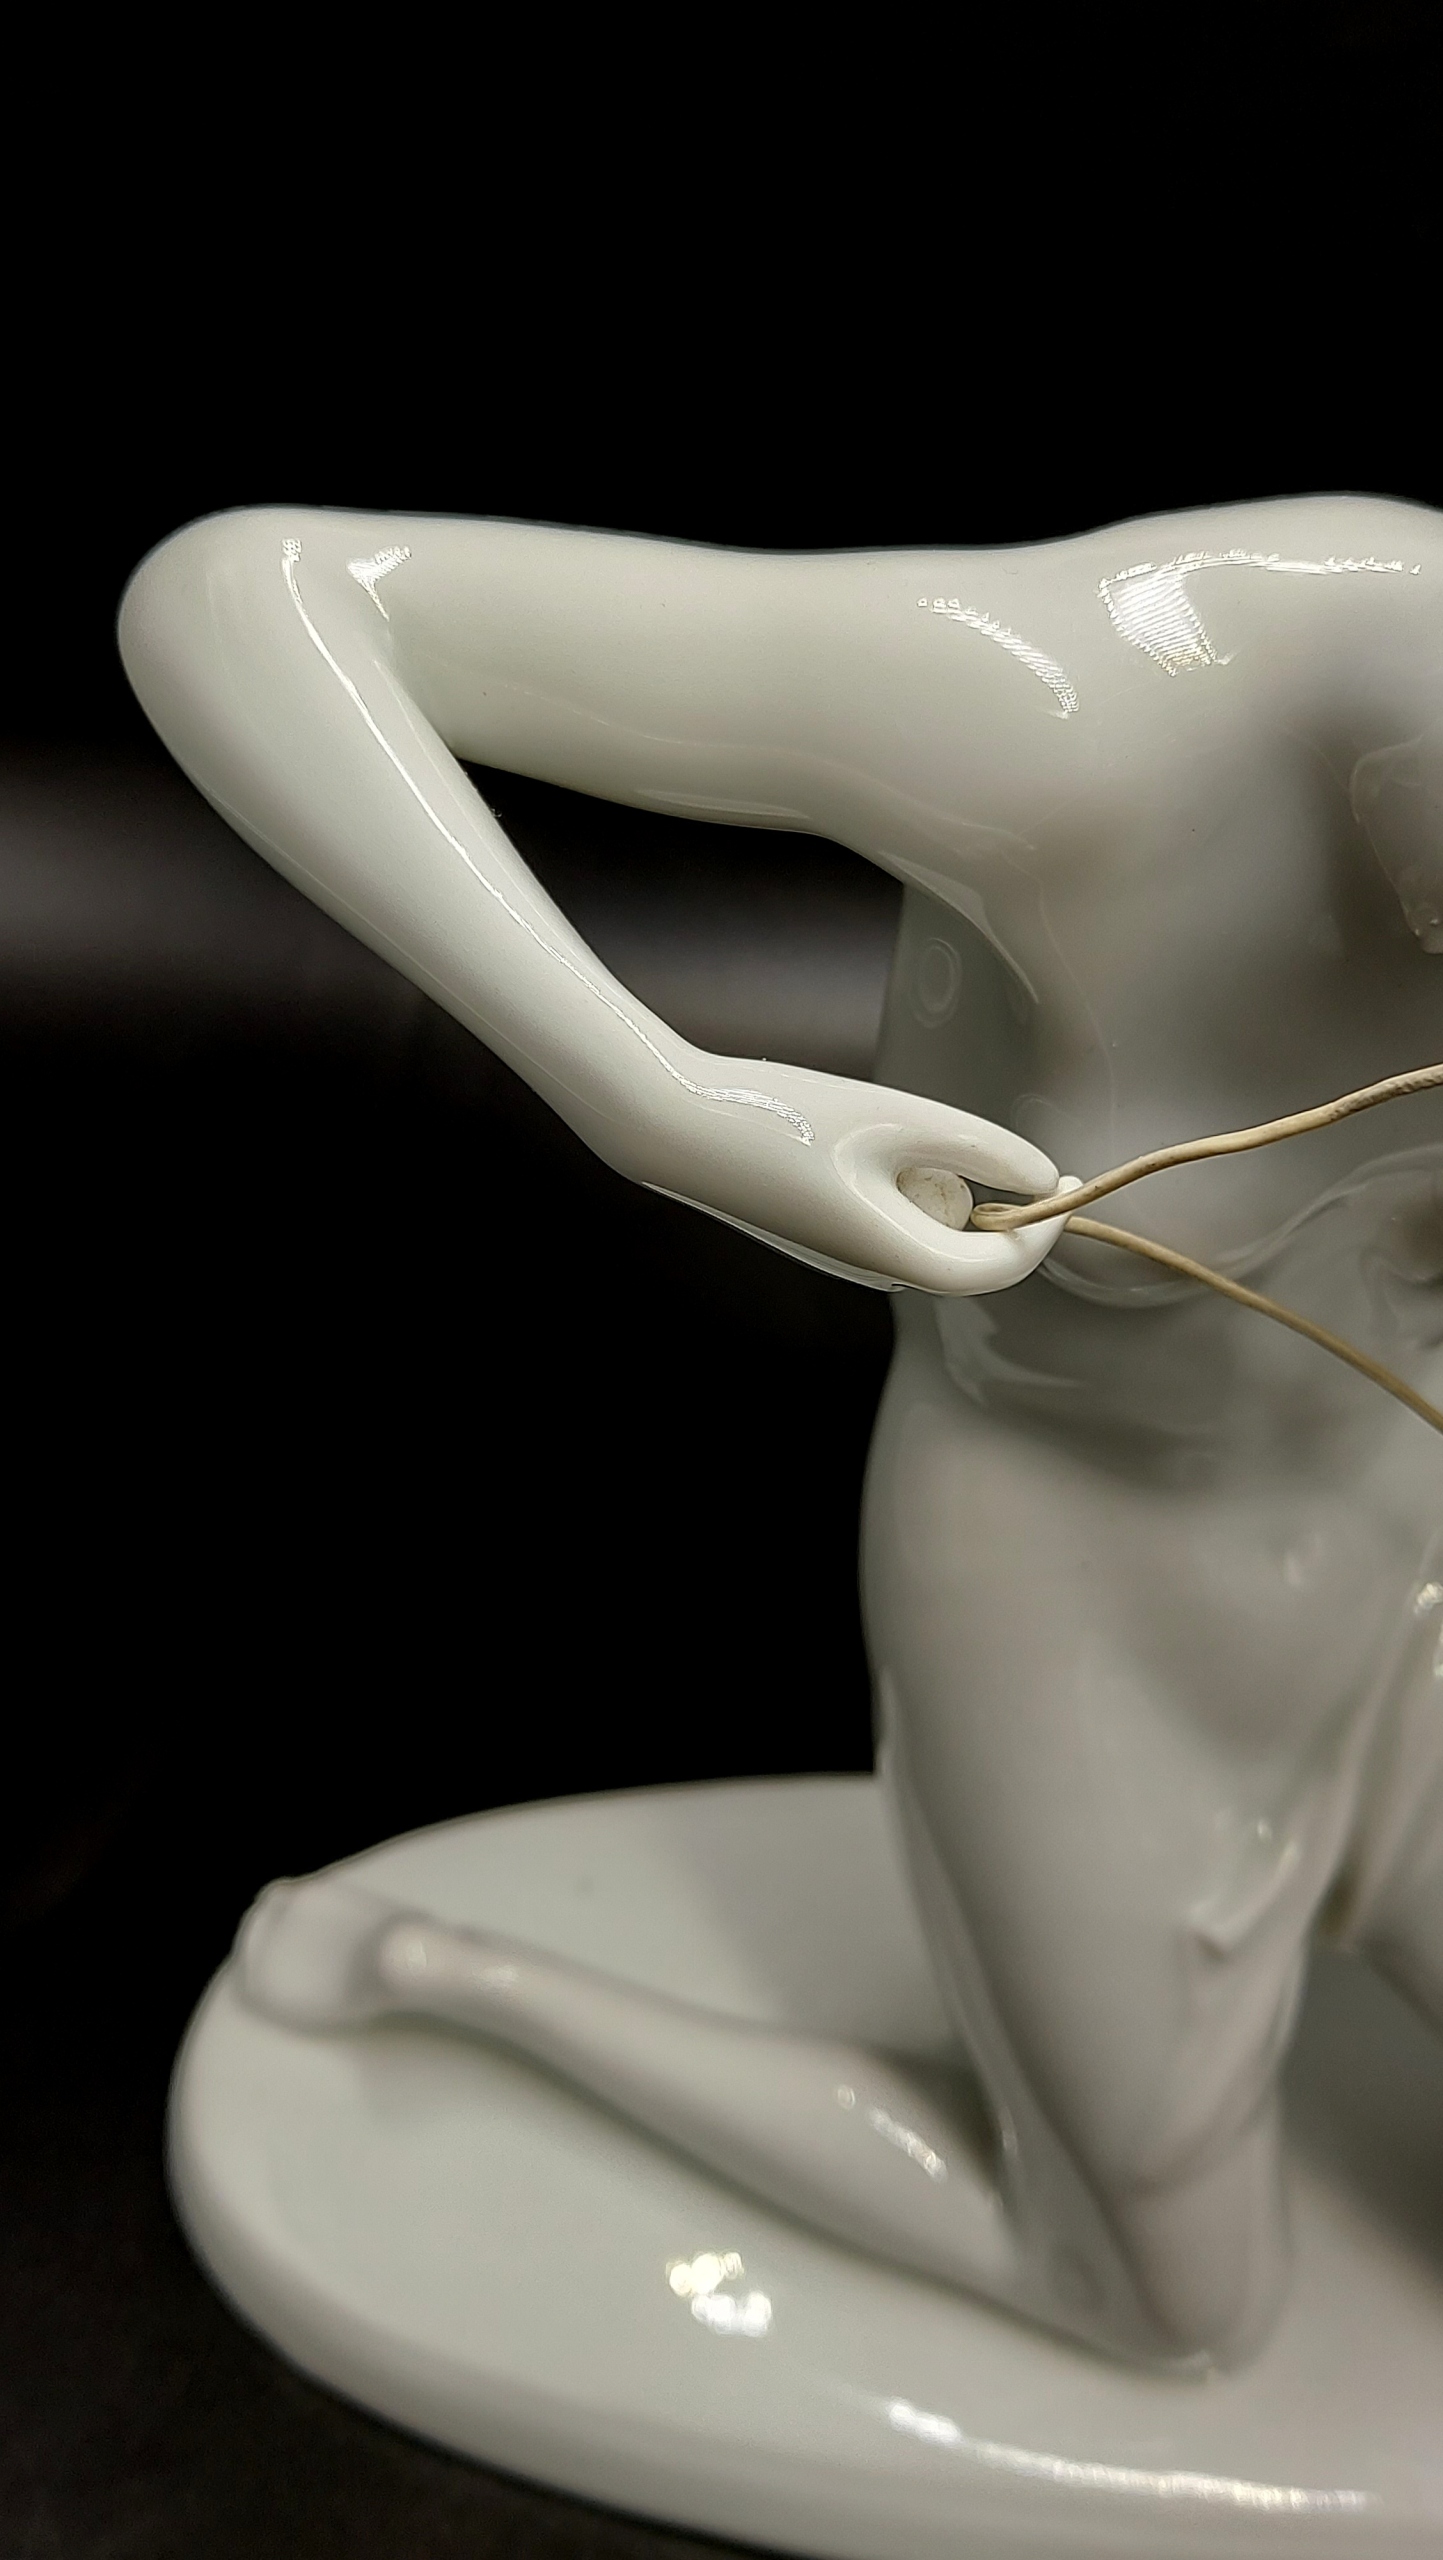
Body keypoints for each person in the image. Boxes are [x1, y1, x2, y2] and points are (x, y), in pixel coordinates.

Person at [120, 495, 1443, 2368]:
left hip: (1411, 1554)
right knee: (1163, 2310)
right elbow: (245, 593)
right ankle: (468, 1984)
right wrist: (654, 1093)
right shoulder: (1085, 705)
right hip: (1095, 1592)